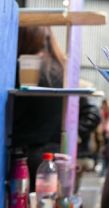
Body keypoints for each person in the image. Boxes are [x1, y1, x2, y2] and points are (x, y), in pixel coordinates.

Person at [11, 26, 100, 193]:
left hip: (24, 156)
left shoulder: (21, 70)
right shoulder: (64, 72)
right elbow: (92, 114)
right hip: (56, 157)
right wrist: (69, 136)